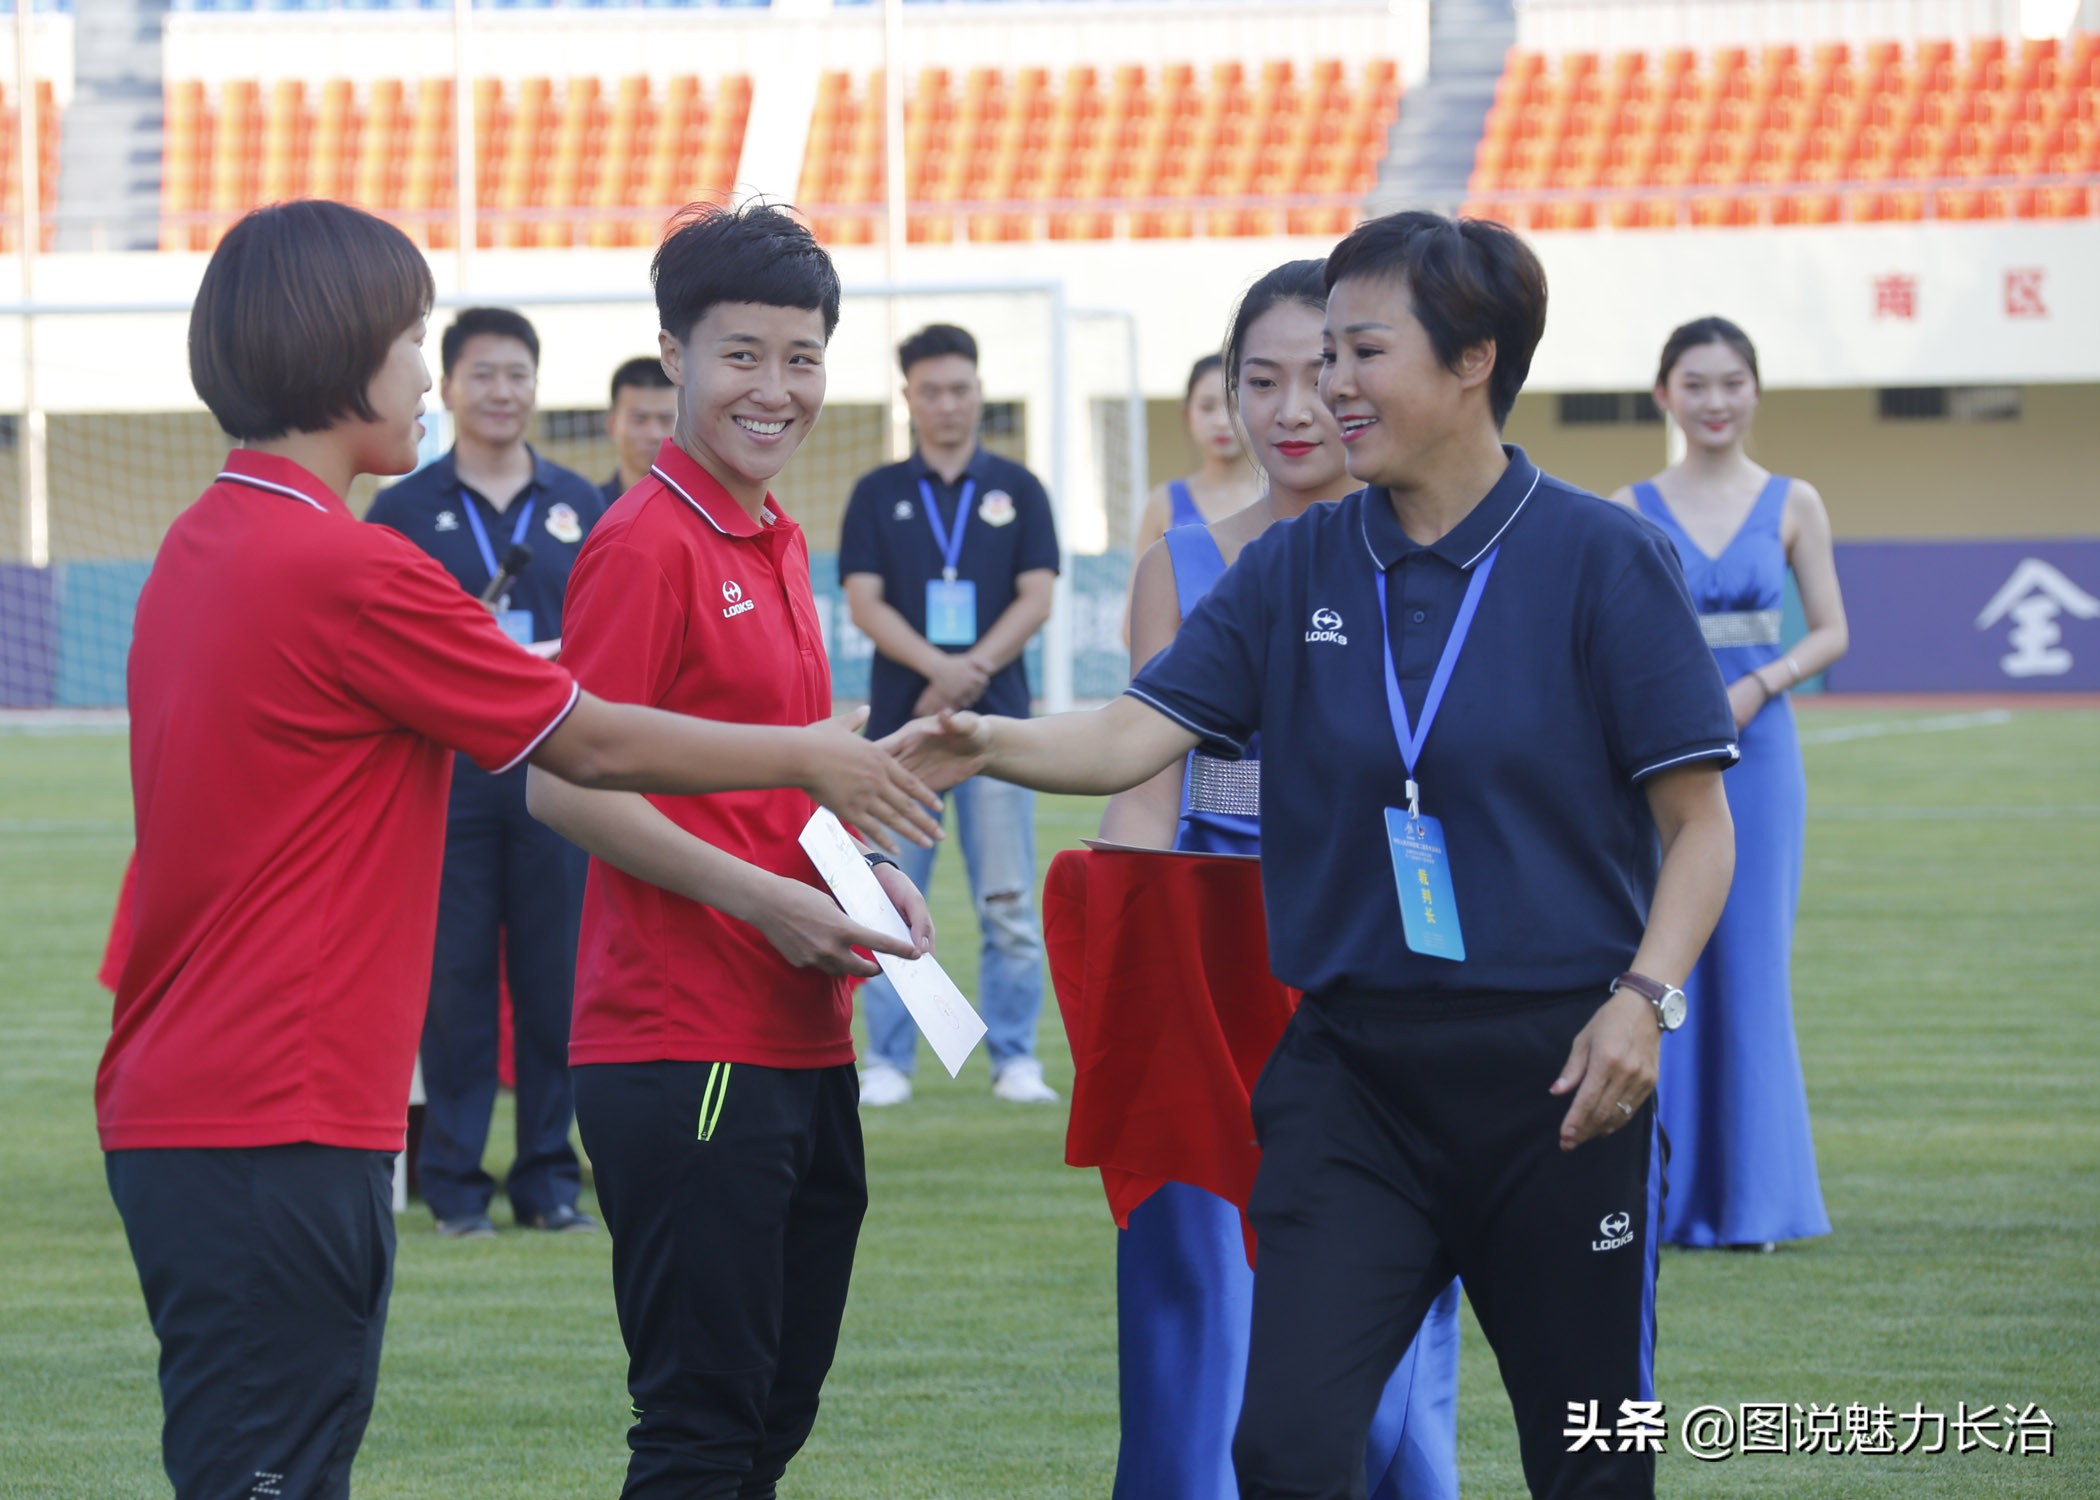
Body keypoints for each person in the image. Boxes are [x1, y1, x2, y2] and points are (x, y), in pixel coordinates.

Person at [889, 210, 1740, 1500]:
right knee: (1285, 1445)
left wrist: (1642, 1000)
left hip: (1562, 1082)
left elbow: (1700, 829)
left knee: (1589, 1462)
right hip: (1351, 1083)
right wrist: (985, 740)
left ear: (1473, 361)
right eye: (1316, 356)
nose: (1330, 385)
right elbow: (1134, 734)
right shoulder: (1297, 564)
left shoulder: (1603, 559)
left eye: (1360, 351)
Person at [99, 199, 939, 1500]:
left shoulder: (209, 544)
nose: (431, 380)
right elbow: (582, 750)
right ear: (343, 356)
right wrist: (817, 755)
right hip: (275, 1106)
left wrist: (818, 833)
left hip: (218, 1097)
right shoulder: (348, 569)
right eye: (413, 342)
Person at [524, 203, 936, 1500]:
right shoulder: (646, 543)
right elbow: (561, 788)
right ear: (675, 358)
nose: (776, 388)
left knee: (767, 1420)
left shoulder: (774, 532)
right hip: (683, 1035)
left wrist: (852, 879)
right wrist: (767, 902)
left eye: (802, 356)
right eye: (742, 354)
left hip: (797, 1027)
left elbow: (767, 784)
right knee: (702, 1432)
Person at [1096, 259, 1461, 1500]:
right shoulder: (1179, 563)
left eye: (1327, 371)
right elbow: (1143, 786)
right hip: (1211, 964)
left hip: (1383, 965)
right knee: (1197, 1278)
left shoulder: (1436, 559)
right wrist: (1129, 996)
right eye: (1264, 379)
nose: (1296, 406)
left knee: (1383, 1304)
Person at [366, 306, 609, 1239]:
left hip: (558, 782)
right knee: (456, 987)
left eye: (518, 374)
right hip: (450, 782)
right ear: (450, 386)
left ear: (536, 386)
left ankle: (550, 1178)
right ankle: (457, 1184)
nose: (502, 392)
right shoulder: (404, 510)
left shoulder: (579, 505)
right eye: (483, 375)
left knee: (555, 987)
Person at [1611, 316, 1849, 1251]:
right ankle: (1662, 1193)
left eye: (1732, 382)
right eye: (1695, 384)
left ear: (1755, 390)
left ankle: (1752, 1200)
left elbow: (1831, 630)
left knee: (1750, 967)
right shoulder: (1627, 506)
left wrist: (1761, 682)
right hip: (1661, 757)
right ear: (1664, 393)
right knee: (1665, 964)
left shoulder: (1796, 501)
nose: (1715, 401)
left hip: (1763, 753)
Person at [837, 322, 1062, 1106]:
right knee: (889, 899)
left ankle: (1014, 1058)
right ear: (909, 398)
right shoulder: (878, 493)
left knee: (1007, 905)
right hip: (901, 734)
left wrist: (970, 674)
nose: (947, 403)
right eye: (930, 390)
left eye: (960, 388)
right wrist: (937, 670)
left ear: (979, 391)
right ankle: (889, 1061)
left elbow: (1037, 596)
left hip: (998, 732)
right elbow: (864, 602)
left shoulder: (1018, 489)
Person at [1122, 354, 1261, 644]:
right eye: (1207, 407)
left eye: (1234, 406)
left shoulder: (1286, 497)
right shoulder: (1163, 502)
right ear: (1187, 414)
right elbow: (1133, 627)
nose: (1222, 421)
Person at [603, 354, 679, 505]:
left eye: (666, 419)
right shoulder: (592, 511)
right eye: (639, 419)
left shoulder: (707, 510)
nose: (654, 435)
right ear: (612, 424)